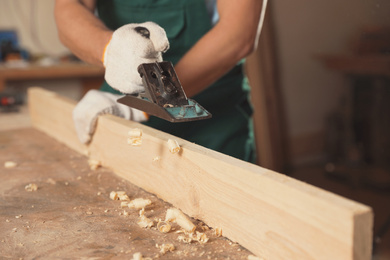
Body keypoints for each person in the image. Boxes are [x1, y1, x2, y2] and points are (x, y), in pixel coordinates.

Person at [54, 0, 266, 163]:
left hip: (211, 114)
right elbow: (71, 5)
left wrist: (152, 99)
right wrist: (110, 50)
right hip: (122, 102)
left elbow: (239, 33)